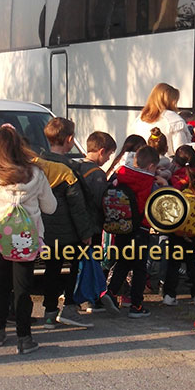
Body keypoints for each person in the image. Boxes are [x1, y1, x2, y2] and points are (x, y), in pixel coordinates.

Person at [0, 125, 56, 354]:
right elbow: (51, 207)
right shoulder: (36, 174)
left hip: (0, 240)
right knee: (23, 287)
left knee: (2, 285)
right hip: (27, 239)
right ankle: (24, 337)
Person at [36, 117, 97, 329]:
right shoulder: (69, 169)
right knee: (73, 268)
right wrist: (86, 232)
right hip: (69, 230)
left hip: (45, 228)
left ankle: (49, 313)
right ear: (69, 139)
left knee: (51, 270)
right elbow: (77, 205)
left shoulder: (38, 164)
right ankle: (69, 307)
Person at [101, 146, 164, 318]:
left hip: (120, 227)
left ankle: (111, 292)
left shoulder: (121, 175)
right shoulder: (149, 183)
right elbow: (158, 202)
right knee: (139, 268)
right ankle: (136, 305)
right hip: (140, 229)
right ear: (151, 166)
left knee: (123, 261)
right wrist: (165, 184)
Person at [71, 131, 119, 314]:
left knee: (78, 263)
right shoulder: (98, 174)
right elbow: (101, 201)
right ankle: (90, 299)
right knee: (92, 262)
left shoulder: (75, 166)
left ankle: (73, 299)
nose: (108, 159)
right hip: (93, 225)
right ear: (101, 151)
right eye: (108, 155)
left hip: (76, 225)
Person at [162, 145, 195, 306]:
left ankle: (169, 295)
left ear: (176, 161)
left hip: (177, 227)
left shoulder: (174, 178)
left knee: (174, 262)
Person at [132, 82, 191, 156]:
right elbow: (181, 151)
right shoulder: (174, 120)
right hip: (168, 165)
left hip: (143, 164)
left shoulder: (140, 119)